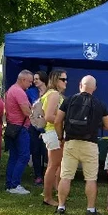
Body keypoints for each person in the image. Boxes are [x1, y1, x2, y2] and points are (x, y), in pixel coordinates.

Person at [54, 75, 108, 215]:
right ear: (95, 88)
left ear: (80, 85)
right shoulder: (99, 104)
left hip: (71, 142)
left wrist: (61, 137)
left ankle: (61, 206)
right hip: (90, 144)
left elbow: (57, 121)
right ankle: (90, 209)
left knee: (66, 176)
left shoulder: (69, 100)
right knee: (91, 178)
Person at [40, 70, 68, 206]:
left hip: (52, 132)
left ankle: (54, 193)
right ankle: (47, 197)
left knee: (55, 166)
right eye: (63, 79)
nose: (66, 81)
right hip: (54, 133)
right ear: (56, 80)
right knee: (53, 166)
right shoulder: (54, 94)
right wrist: (63, 122)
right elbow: (49, 116)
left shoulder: (51, 94)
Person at [4, 69, 33, 195]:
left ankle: (9, 184)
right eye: (30, 81)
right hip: (20, 128)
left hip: (12, 127)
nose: (31, 84)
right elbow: (26, 112)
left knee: (14, 156)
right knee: (24, 156)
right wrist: (36, 113)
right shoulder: (19, 92)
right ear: (23, 79)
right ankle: (15, 184)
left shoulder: (11, 90)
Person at [29, 71, 48, 186]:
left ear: (43, 79)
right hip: (34, 125)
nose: (35, 81)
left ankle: (48, 175)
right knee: (35, 151)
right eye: (34, 79)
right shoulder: (31, 92)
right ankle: (38, 176)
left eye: (37, 79)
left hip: (46, 125)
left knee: (46, 151)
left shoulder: (50, 92)